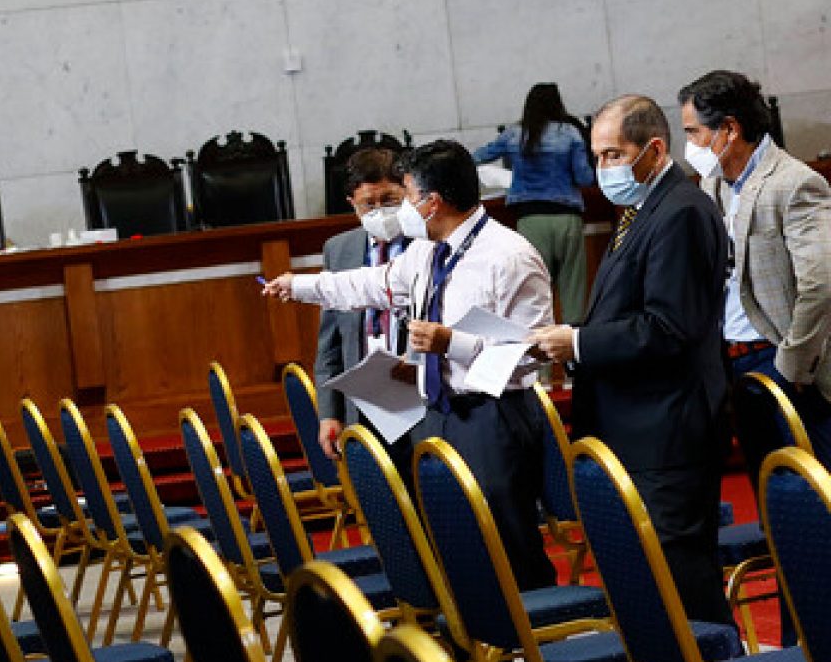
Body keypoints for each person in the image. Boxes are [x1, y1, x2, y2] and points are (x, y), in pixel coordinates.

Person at [265, 139, 556, 591]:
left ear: (431, 202)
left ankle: (544, 648)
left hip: (492, 418)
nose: (399, 209)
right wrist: (299, 286)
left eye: (405, 193)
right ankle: (476, 652)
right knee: (453, 546)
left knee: (508, 544)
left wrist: (452, 343)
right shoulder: (425, 250)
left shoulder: (509, 255)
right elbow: (370, 284)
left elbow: (535, 352)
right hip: (436, 413)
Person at [529, 95, 733, 628]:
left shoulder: (680, 212)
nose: (603, 170)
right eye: (598, 157)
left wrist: (576, 343)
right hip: (640, 426)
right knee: (657, 587)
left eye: (614, 155)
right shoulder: (642, 210)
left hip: (668, 431)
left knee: (685, 586)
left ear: (655, 149)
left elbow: (668, 328)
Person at [678, 70, 831, 469]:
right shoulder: (712, 185)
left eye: (694, 133)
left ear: (729, 129)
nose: (689, 146)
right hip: (733, 363)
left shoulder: (795, 183)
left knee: (812, 497)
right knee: (769, 496)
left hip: (786, 364)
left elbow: (822, 283)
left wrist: (792, 365)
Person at [314, 147, 411, 476]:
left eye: (390, 199)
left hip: (418, 396)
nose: (379, 210)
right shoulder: (339, 250)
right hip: (364, 401)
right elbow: (330, 343)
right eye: (369, 204)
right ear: (352, 204)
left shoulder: (427, 243)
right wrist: (330, 412)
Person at [473, 83, 595, 324]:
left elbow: (476, 157)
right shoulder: (570, 133)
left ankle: (541, 359)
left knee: (535, 293)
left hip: (529, 220)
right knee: (573, 290)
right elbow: (585, 178)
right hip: (567, 218)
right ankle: (572, 354)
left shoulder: (514, 134)